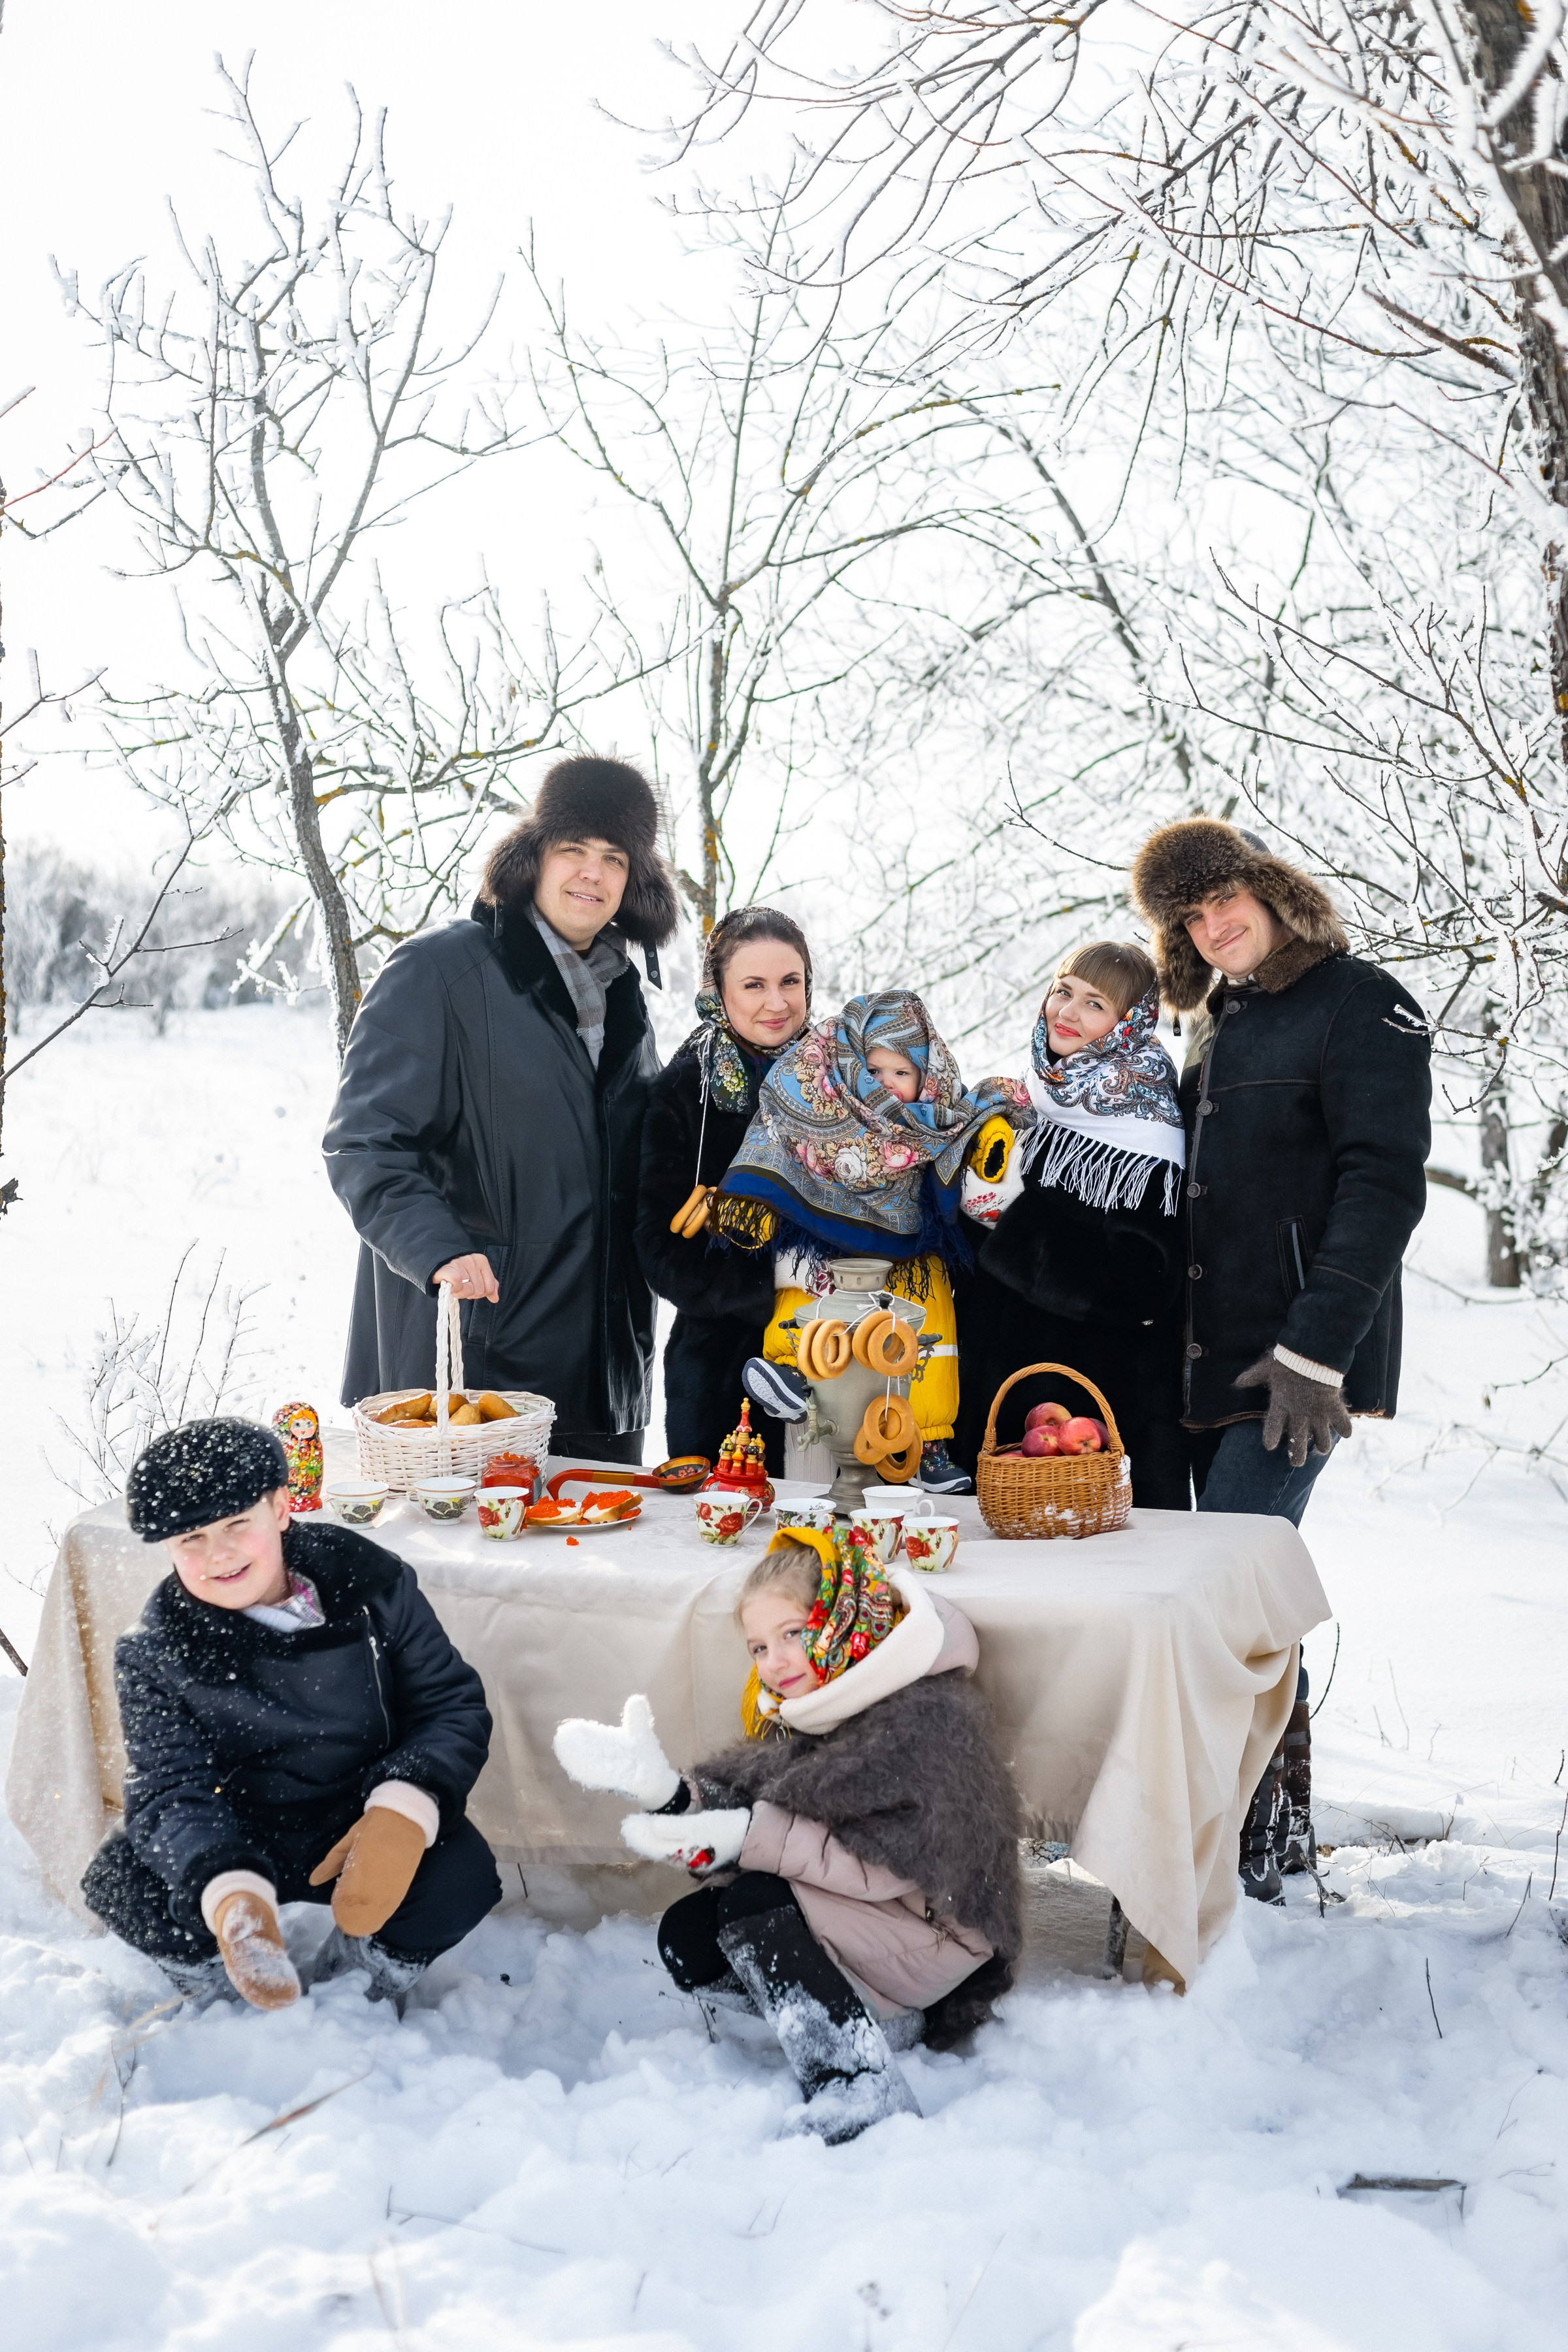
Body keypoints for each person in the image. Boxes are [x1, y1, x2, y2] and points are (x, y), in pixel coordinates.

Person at [1131, 817, 1432, 1898]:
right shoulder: (1215, 1027)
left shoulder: (1363, 1002)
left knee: (1237, 1596)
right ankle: (1259, 1838)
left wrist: (1316, 1352)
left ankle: (1264, 1851)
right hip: (1203, 1364)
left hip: (1294, 1363)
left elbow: (1385, 1183)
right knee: (1227, 1595)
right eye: (1192, 918)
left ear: (1267, 889)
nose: (1216, 928)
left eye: (1227, 902)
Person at [553, 1529, 1022, 2144]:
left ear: (841, 1618)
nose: (774, 1661)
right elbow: (761, 1794)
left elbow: (888, 1867)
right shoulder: (813, 1704)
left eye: (793, 1634)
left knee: (756, 1904)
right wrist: (673, 1796)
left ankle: (856, 2079)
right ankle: (851, 2015)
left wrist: (747, 1836)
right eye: (757, 1647)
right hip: (869, 1923)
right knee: (690, 1935)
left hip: (937, 1933)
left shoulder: (925, 1719)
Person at [323, 756, 681, 1464]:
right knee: (475, 1574)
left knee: (596, 1568)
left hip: (604, 1375)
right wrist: (439, 1249)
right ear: (533, 856)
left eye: (614, 857)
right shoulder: (440, 971)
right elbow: (366, 1143)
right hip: (477, 1363)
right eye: (572, 848)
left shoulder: (624, 997)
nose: (592, 873)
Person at [82, 1418, 500, 2010]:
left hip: (354, 1818)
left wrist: (404, 1809)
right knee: (128, 1879)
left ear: (279, 1508)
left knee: (461, 1875)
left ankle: (357, 1984)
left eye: (236, 1525)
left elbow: (449, 1703)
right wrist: (227, 1887)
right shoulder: (155, 1648)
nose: (218, 1554)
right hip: (240, 1827)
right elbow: (169, 1788)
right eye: (191, 1540)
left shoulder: (371, 1582)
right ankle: (229, 1990)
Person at [715, 991, 1030, 1494]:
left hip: (910, 1245)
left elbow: (977, 1137)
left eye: (901, 1074)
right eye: (873, 1071)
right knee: (806, 1294)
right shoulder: (820, 1099)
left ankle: (926, 1441)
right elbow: (777, 1129)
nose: (885, 1085)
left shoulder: (938, 1120)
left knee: (926, 1328)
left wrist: (988, 1140)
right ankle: (789, 1375)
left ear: (927, 1081)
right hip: (825, 1239)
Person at [953, 941, 1188, 1507]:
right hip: (989, 1388)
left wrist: (1015, 1222)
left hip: (1081, 1402)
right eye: (1063, 991)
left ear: (1128, 1024)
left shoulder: (1147, 1126)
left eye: (1094, 1003)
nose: (1068, 1012)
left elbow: (1143, 1284)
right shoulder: (1028, 1100)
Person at [634, 907, 814, 1474]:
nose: (776, 1003)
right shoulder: (685, 1093)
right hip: (721, 1375)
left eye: (791, 982)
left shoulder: (851, 1080)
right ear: (719, 991)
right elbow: (661, 1253)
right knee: (726, 1544)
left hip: (847, 1362)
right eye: (754, 985)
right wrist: (774, 1277)